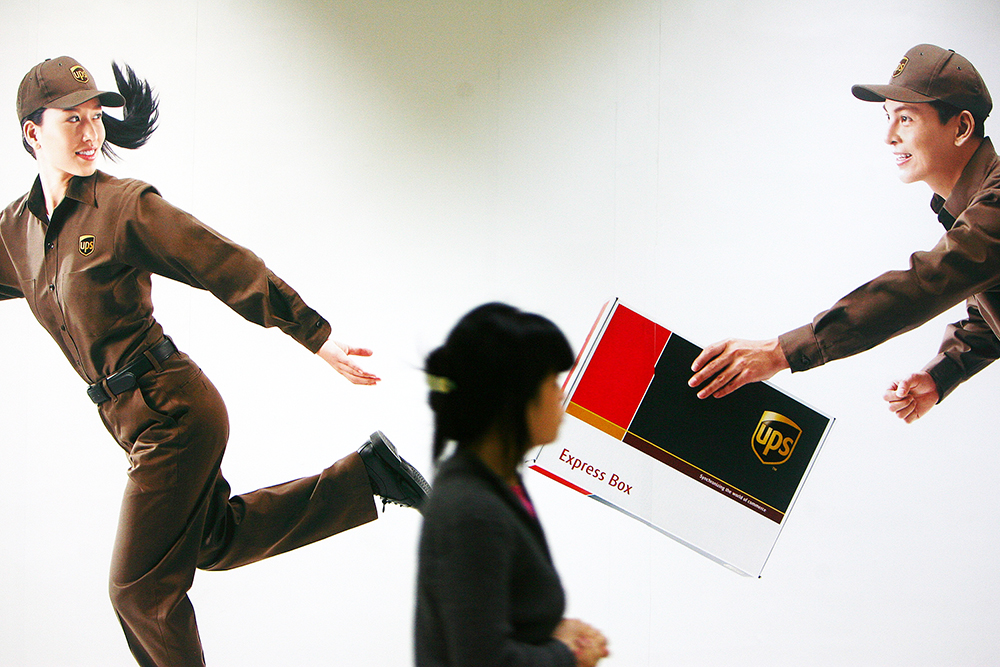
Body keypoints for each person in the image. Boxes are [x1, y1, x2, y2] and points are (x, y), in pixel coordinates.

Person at [0, 56, 430, 667]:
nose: (91, 132)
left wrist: (315, 335)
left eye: (96, 116)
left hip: (172, 410)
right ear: (33, 132)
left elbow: (218, 261)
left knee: (139, 590)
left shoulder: (121, 207)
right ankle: (369, 478)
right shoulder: (16, 232)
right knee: (216, 540)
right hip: (129, 418)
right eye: (73, 119)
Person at [687, 44, 996, 423]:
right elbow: (990, 316)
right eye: (887, 117)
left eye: (906, 118)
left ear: (961, 127)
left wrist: (779, 352)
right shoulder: (975, 207)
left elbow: (926, 283)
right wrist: (942, 375)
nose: (889, 136)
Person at [415, 303, 610, 667]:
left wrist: (549, 632)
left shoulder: (496, 485)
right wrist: (567, 653)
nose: (561, 395)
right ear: (515, 398)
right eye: (551, 382)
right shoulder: (472, 511)